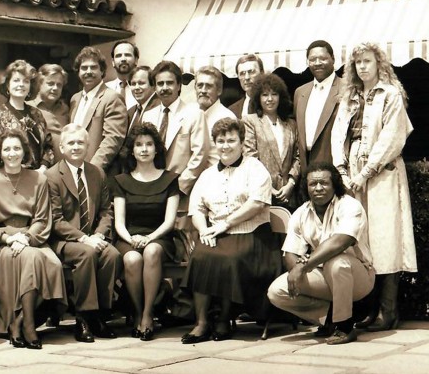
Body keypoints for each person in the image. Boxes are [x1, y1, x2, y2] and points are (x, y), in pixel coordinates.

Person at [330, 42, 416, 332]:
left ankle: (389, 311)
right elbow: (337, 133)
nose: (362, 67)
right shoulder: (350, 97)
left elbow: (393, 136)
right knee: (360, 240)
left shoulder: (390, 95)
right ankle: (368, 309)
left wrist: (365, 172)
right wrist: (341, 170)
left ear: (379, 63)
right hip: (352, 172)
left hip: (381, 174)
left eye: (368, 61)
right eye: (358, 63)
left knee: (384, 237)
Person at [180, 118, 281, 343]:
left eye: (231, 140)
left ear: (242, 143)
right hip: (216, 233)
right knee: (200, 255)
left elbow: (257, 203)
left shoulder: (254, 168)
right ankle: (202, 322)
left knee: (229, 258)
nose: (225, 146)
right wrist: (204, 230)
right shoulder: (207, 175)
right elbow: (196, 208)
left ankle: (225, 319)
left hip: (253, 235)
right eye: (220, 141)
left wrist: (225, 224)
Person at [0, 128, 66, 350]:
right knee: (33, 259)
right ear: (0, 153)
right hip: (1, 245)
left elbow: (42, 219)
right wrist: (7, 238)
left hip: (31, 239)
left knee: (54, 264)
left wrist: (26, 237)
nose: (12, 154)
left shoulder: (38, 179)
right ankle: (29, 326)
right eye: (7, 149)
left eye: (17, 148)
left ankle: (19, 320)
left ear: (25, 152)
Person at [267, 162, 375, 345]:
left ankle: (345, 327)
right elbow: (290, 254)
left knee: (337, 263)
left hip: (359, 277)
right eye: (312, 184)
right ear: (306, 187)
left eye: (324, 183)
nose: (318, 188)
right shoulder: (300, 213)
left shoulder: (349, 206)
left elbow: (340, 242)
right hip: (323, 273)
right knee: (277, 291)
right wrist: (297, 268)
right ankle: (330, 317)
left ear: (334, 184)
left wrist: (304, 265)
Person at [46, 124, 122, 343]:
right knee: (86, 255)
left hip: (92, 237)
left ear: (88, 146)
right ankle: (83, 318)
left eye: (80, 142)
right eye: (71, 142)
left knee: (112, 255)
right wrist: (84, 238)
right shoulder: (52, 176)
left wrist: (98, 235)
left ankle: (101, 316)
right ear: (61, 147)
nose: (76, 146)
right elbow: (56, 220)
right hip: (65, 240)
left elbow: (106, 210)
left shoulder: (96, 172)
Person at [112, 123, 179, 341]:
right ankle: (137, 312)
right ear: (132, 150)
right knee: (131, 259)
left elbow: (169, 221)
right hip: (128, 237)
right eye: (139, 145)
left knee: (150, 252)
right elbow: (119, 222)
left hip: (160, 237)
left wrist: (150, 238)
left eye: (149, 144)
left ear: (157, 149)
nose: (144, 149)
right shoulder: (122, 181)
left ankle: (149, 315)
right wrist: (131, 239)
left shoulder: (170, 179)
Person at [141, 61, 208, 227]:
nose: (165, 88)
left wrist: (176, 188)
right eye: (160, 83)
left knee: (182, 247)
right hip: (153, 196)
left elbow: (200, 155)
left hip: (182, 197)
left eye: (169, 83)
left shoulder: (194, 114)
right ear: (154, 87)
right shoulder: (147, 116)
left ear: (179, 85)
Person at [243, 73, 300, 209]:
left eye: (274, 94)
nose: (270, 99)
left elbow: (298, 157)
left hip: (289, 196)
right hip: (261, 196)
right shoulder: (250, 121)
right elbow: (250, 158)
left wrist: (290, 184)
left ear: (280, 96)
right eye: (264, 95)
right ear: (258, 98)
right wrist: (271, 189)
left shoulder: (291, 124)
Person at [70, 46, 127, 173]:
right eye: (84, 68)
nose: (88, 71)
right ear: (78, 72)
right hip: (74, 171)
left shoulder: (112, 97)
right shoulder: (75, 99)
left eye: (93, 67)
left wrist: (92, 170)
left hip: (98, 174)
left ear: (102, 71)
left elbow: (113, 139)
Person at [0, 60, 54, 173]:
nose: (21, 85)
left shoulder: (37, 114)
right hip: (12, 179)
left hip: (39, 177)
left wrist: (43, 167)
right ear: (7, 85)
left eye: (26, 81)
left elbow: (48, 145)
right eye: (16, 80)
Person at [294, 40, 340, 175]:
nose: (318, 63)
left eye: (323, 58)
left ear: (333, 59)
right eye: (313, 59)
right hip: (307, 170)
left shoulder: (347, 89)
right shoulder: (300, 92)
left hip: (335, 168)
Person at [26, 64, 70, 163]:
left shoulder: (65, 109)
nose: (55, 88)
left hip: (64, 169)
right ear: (40, 84)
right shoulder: (28, 108)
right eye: (50, 83)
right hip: (39, 170)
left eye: (59, 85)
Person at [193, 66, 236, 166]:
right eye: (200, 85)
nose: (203, 90)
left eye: (208, 86)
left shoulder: (227, 118)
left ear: (219, 90)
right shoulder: (189, 113)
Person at [228, 54, 264, 118]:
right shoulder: (232, 111)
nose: (247, 77)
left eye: (251, 72)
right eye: (242, 73)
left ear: (262, 73)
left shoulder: (272, 104)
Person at [106, 40, 139, 109]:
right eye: (118, 56)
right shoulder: (105, 89)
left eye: (127, 55)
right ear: (113, 62)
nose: (123, 59)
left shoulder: (144, 88)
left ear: (136, 60)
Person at [126, 66, 159, 134]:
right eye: (133, 84)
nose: (136, 87)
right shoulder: (130, 112)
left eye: (141, 83)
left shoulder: (160, 107)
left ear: (153, 85)